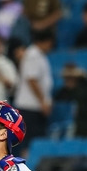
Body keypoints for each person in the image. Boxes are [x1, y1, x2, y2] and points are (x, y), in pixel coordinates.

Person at [13, 29, 55, 157]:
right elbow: (32, 79)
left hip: (34, 108)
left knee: (35, 141)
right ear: (46, 42)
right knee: (30, 143)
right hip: (30, 107)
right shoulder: (33, 55)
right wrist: (43, 102)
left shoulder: (38, 55)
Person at [54, 63, 87, 138]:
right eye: (67, 78)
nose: (68, 80)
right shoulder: (65, 91)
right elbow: (56, 99)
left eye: (71, 77)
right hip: (77, 121)